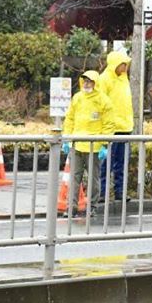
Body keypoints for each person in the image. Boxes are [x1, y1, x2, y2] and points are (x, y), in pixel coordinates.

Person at [62, 70, 115, 216]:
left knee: (93, 179)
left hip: (94, 147)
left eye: (89, 81)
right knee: (74, 178)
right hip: (77, 145)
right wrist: (67, 138)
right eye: (84, 80)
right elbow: (70, 119)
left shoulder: (103, 100)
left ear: (95, 83)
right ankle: (71, 207)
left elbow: (109, 124)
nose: (86, 83)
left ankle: (92, 206)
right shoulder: (77, 98)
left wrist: (104, 143)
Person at [96, 50, 133, 204]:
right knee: (106, 163)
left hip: (125, 126)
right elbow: (100, 103)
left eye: (125, 64)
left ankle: (120, 192)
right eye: (122, 64)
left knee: (122, 163)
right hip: (110, 128)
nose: (125, 67)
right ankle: (102, 193)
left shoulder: (124, 79)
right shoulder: (104, 79)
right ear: (114, 64)